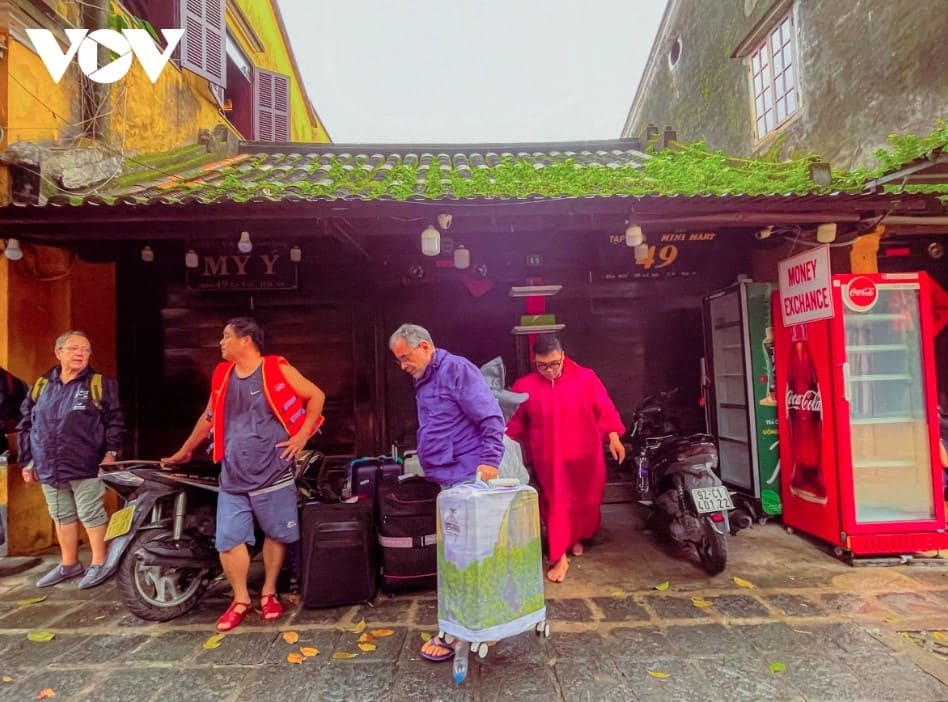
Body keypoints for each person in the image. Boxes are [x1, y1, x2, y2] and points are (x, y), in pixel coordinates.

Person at [162, 317, 325, 633]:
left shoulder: (275, 369)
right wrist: (185, 450)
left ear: (246, 340)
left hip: (273, 469)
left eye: (225, 336)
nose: (220, 342)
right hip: (233, 474)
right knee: (228, 539)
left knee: (276, 533)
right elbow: (208, 417)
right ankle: (239, 599)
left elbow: (316, 395)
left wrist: (303, 436)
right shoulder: (222, 375)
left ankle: (268, 592)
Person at [389, 323, 504, 663]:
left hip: (467, 478)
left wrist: (490, 461)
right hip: (449, 480)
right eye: (398, 360)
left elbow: (490, 416)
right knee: (464, 557)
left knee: (462, 560)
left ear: (424, 347)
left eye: (405, 358)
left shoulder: (456, 369)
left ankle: (456, 634)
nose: (402, 366)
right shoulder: (422, 377)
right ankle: (484, 624)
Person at [506, 334, 625, 583]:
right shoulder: (524, 386)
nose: (549, 370)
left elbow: (605, 409)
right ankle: (559, 555)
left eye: (554, 364)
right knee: (557, 503)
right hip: (551, 461)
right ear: (534, 360)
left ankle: (576, 538)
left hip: (586, 458)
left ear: (563, 355)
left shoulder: (586, 378)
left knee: (586, 502)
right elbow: (513, 423)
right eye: (542, 365)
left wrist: (614, 437)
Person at [17, 331, 126, 589]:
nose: (80, 354)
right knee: (61, 514)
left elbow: (115, 421)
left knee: (90, 513)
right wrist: (27, 461)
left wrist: (111, 452)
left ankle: (99, 563)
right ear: (59, 352)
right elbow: (26, 424)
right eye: (74, 348)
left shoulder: (99, 383)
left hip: (86, 462)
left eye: (86, 350)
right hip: (48, 463)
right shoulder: (42, 385)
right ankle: (69, 564)